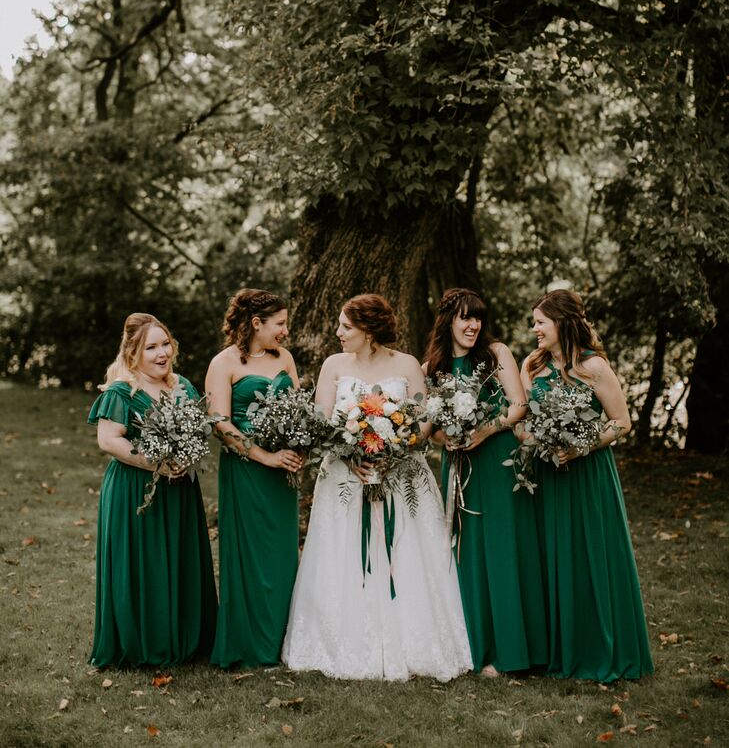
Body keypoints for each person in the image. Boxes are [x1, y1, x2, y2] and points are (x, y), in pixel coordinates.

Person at [282, 293, 472, 681]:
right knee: (342, 553)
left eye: (345, 327)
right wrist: (352, 454)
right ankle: (340, 642)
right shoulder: (334, 365)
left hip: (402, 476)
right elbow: (322, 422)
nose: (338, 333)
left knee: (407, 550)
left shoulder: (405, 364)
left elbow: (421, 422)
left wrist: (395, 448)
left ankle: (415, 642)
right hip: (343, 478)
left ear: (368, 330)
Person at [521, 289, 654, 681]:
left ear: (562, 323)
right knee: (553, 557)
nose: (535, 329)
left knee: (591, 555)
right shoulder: (532, 366)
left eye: (540, 322)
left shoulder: (594, 367)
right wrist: (537, 441)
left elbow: (621, 422)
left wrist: (579, 447)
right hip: (549, 476)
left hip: (588, 475)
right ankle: (558, 651)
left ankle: (600, 648)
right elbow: (527, 422)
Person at [423, 288, 548, 676]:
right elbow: (431, 430)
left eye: (478, 317)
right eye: (465, 317)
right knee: (468, 551)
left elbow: (519, 405)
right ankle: (475, 647)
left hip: (497, 461)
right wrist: (450, 439)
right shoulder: (432, 368)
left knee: (504, 546)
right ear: (448, 321)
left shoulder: (496, 354)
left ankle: (514, 651)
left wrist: (484, 430)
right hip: (459, 465)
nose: (473, 325)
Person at [87, 313, 217, 667]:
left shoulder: (184, 387)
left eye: (165, 344)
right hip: (135, 489)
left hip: (180, 488)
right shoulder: (122, 391)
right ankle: (143, 643)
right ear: (133, 353)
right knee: (142, 562)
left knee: (177, 556)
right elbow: (109, 440)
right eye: (152, 347)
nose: (162, 354)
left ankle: (186, 640)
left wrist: (186, 455)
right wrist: (155, 463)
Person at [207, 288, 302, 669]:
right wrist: (266, 456)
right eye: (279, 324)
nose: (285, 330)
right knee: (250, 556)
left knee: (281, 555)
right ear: (256, 323)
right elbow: (220, 424)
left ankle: (284, 641)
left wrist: (299, 447)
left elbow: (299, 410)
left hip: (283, 475)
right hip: (247, 470)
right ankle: (248, 644)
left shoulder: (286, 358)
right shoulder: (224, 362)